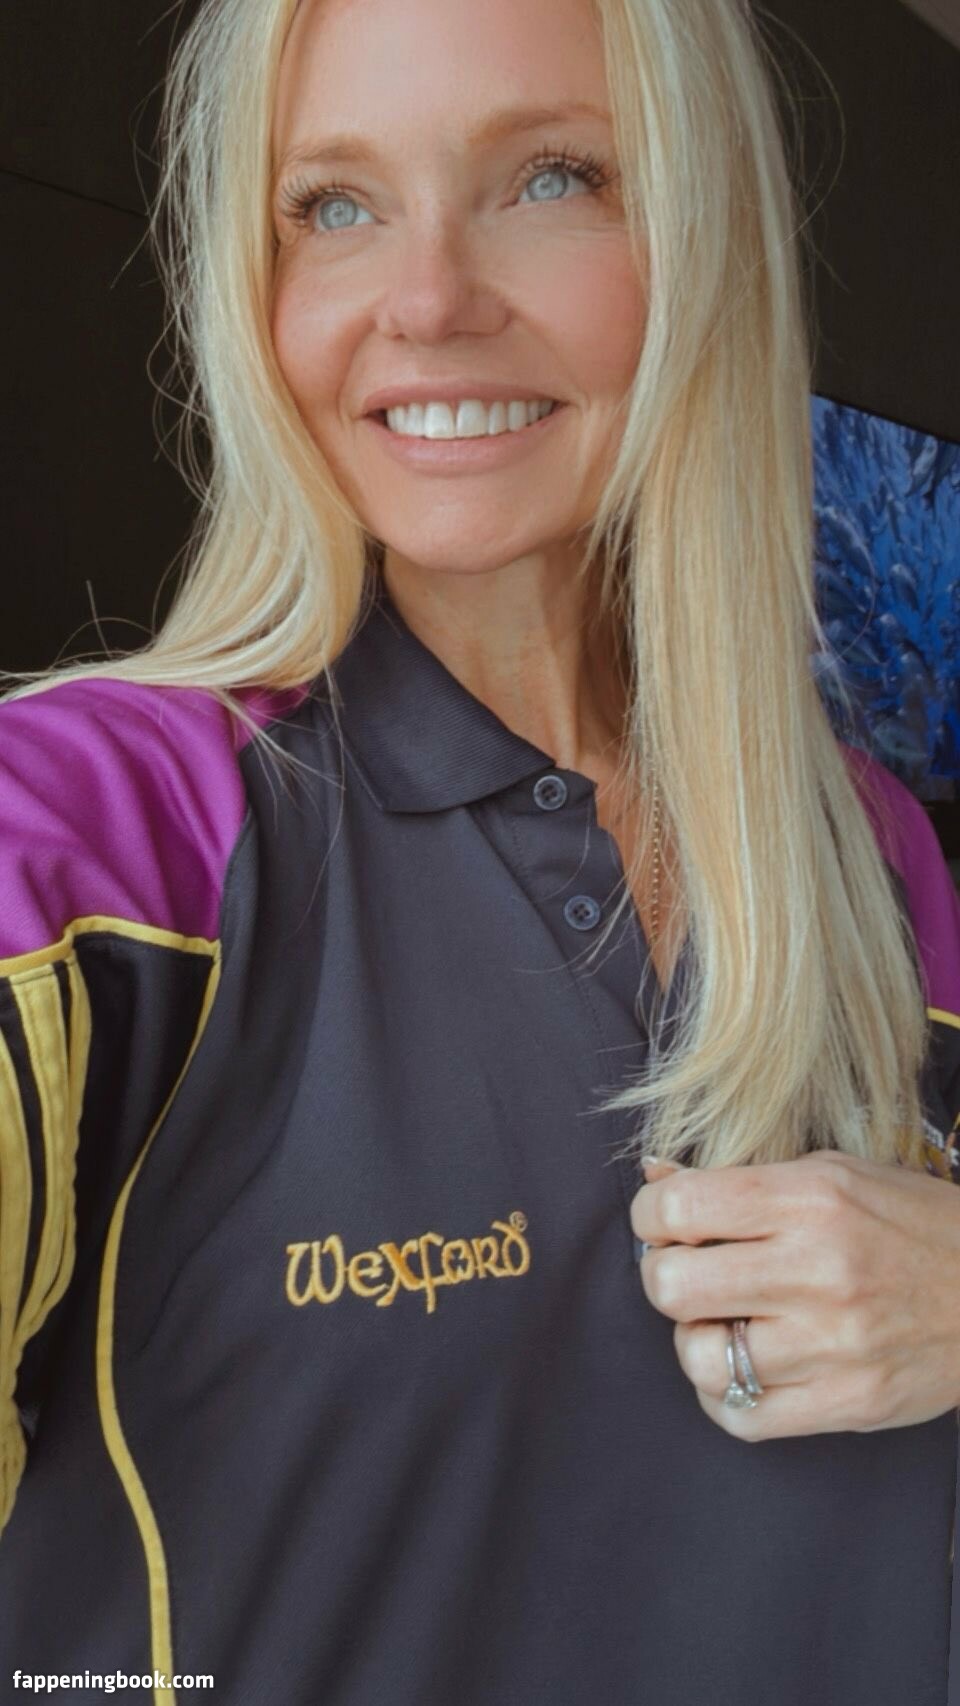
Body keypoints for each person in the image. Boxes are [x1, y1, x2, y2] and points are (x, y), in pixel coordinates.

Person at [1, 0, 959, 1701]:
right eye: (335, 206)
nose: (428, 299)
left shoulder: (877, 859)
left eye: (551, 179)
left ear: (706, 237)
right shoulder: (107, 830)